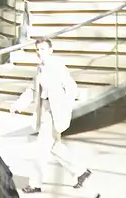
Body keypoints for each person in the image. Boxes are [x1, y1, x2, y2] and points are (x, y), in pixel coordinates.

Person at [9, 37, 94, 195]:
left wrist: (65, 105)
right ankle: (81, 172)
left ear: (50, 50)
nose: (39, 53)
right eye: (37, 49)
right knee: (55, 147)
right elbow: (32, 89)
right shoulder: (40, 67)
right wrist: (18, 105)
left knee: (41, 149)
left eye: (42, 49)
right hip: (46, 110)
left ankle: (35, 183)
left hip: (54, 112)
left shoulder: (57, 66)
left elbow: (71, 87)